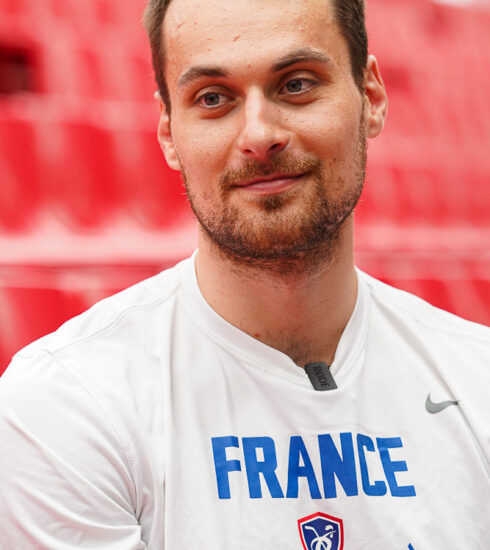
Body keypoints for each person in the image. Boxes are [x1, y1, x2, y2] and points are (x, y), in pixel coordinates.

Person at [0, 0, 488, 548]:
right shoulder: (67, 404)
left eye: (297, 84)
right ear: (169, 131)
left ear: (370, 97)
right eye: (213, 98)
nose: (259, 134)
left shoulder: (477, 378)